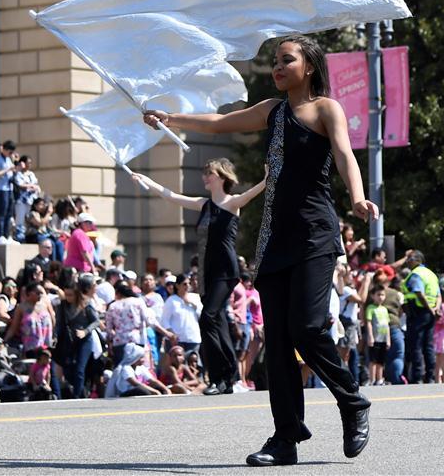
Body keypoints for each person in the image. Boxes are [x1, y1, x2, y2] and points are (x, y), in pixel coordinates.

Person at [144, 35, 376, 466]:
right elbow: (218, 123)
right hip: (272, 241)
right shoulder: (272, 110)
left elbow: (345, 155)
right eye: (275, 61)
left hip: (315, 234)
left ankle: (353, 402)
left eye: (287, 59)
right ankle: (285, 436)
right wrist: (169, 118)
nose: (278, 66)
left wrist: (358, 197)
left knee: (307, 327)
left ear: (309, 66)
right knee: (281, 340)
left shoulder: (327, 109)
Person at [132, 159, 266, 396]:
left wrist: (268, 179)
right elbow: (172, 196)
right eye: (205, 173)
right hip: (207, 272)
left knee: (208, 317)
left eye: (210, 173)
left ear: (222, 177)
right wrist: (148, 181)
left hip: (226, 271)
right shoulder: (203, 204)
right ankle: (227, 378)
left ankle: (218, 376)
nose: (205, 177)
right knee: (217, 322)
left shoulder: (232, 203)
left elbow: (253, 192)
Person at [55, 273, 102, 398]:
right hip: (68, 341)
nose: (68, 297)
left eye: (70, 295)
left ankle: (76, 397)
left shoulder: (86, 304)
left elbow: (96, 321)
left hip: (84, 340)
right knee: (68, 369)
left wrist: (85, 331)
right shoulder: (63, 306)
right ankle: (81, 392)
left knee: (79, 370)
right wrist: (55, 336)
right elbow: (59, 324)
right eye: (66, 294)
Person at [401, 251, 440, 384]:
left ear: (418, 260)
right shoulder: (431, 274)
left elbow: (419, 292)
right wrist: (435, 309)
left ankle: (417, 377)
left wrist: (429, 309)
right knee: (428, 345)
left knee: (416, 345)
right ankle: (430, 376)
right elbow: (438, 295)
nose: (407, 261)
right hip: (429, 313)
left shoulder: (416, 274)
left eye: (410, 259)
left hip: (417, 312)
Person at [104, 342, 169, 398]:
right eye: (141, 358)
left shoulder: (141, 368)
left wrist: (165, 389)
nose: (143, 360)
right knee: (141, 390)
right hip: (124, 393)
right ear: (134, 358)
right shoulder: (125, 368)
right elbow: (136, 384)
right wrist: (154, 391)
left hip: (136, 391)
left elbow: (153, 381)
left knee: (158, 389)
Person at [0, 140, 18, 244]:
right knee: (2, 213)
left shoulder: (8, 159)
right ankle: (0, 235)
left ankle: (7, 235)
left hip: (9, 189)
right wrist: (7, 170)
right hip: (1, 189)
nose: (11, 154)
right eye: (10, 152)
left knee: (9, 213)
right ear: (4, 149)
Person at [364, 285, 390, 386]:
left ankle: (380, 379)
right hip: (375, 338)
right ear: (372, 296)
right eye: (378, 294)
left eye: (383, 295)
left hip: (383, 338)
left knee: (381, 360)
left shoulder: (384, 309)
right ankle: (372, 379)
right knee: (373, 360)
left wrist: (388, 339)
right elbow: (369, 323)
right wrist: (370, 336)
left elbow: (387, 325)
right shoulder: (370, 308)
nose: (381, 297)